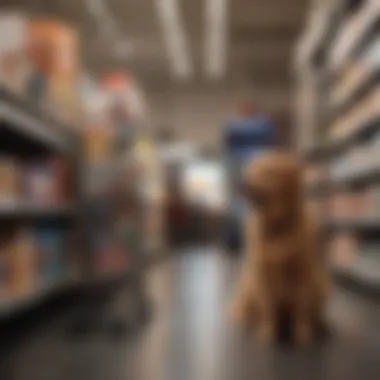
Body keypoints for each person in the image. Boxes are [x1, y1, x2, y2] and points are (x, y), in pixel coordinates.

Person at [223, 100, 275, 252]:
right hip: (241, 169)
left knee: (252, 205)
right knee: (240, 205)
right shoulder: (240, 127)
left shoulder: (259, 125)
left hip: (255, 168)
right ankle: (241, 240)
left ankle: (249, 239)